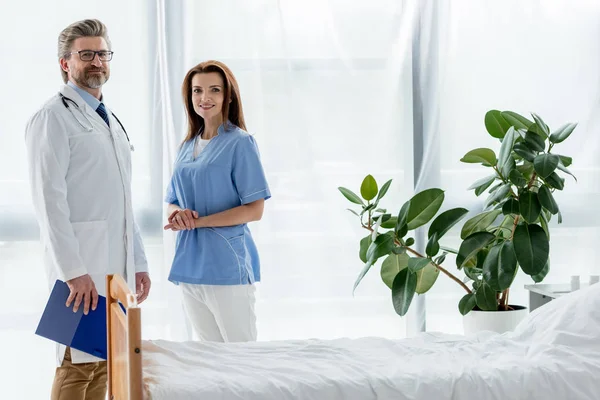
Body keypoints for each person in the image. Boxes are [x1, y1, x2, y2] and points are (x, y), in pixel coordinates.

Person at [24, 19, 151, 400]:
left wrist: (139, 261)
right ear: (66, 63)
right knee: (74, 363)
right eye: (86, 55)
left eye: (102, 53)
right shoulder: (52, 117)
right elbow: (48, 202)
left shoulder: (108, 118)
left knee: (104, 363)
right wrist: (73, 271)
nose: (97, 62)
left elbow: (124, 200)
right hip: (80, 267)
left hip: (116, 268)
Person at [164, 60, 270, 343]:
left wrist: (199, 222)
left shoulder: (240, 143)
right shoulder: (187, 146)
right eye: (197, 91)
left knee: (241, 357)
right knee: (208, 361)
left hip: (226, 266)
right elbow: (172, 200)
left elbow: (255, 209)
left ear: (228, 96)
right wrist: (179, 215)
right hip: (190, 266)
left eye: (214, 90)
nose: (204, 98)